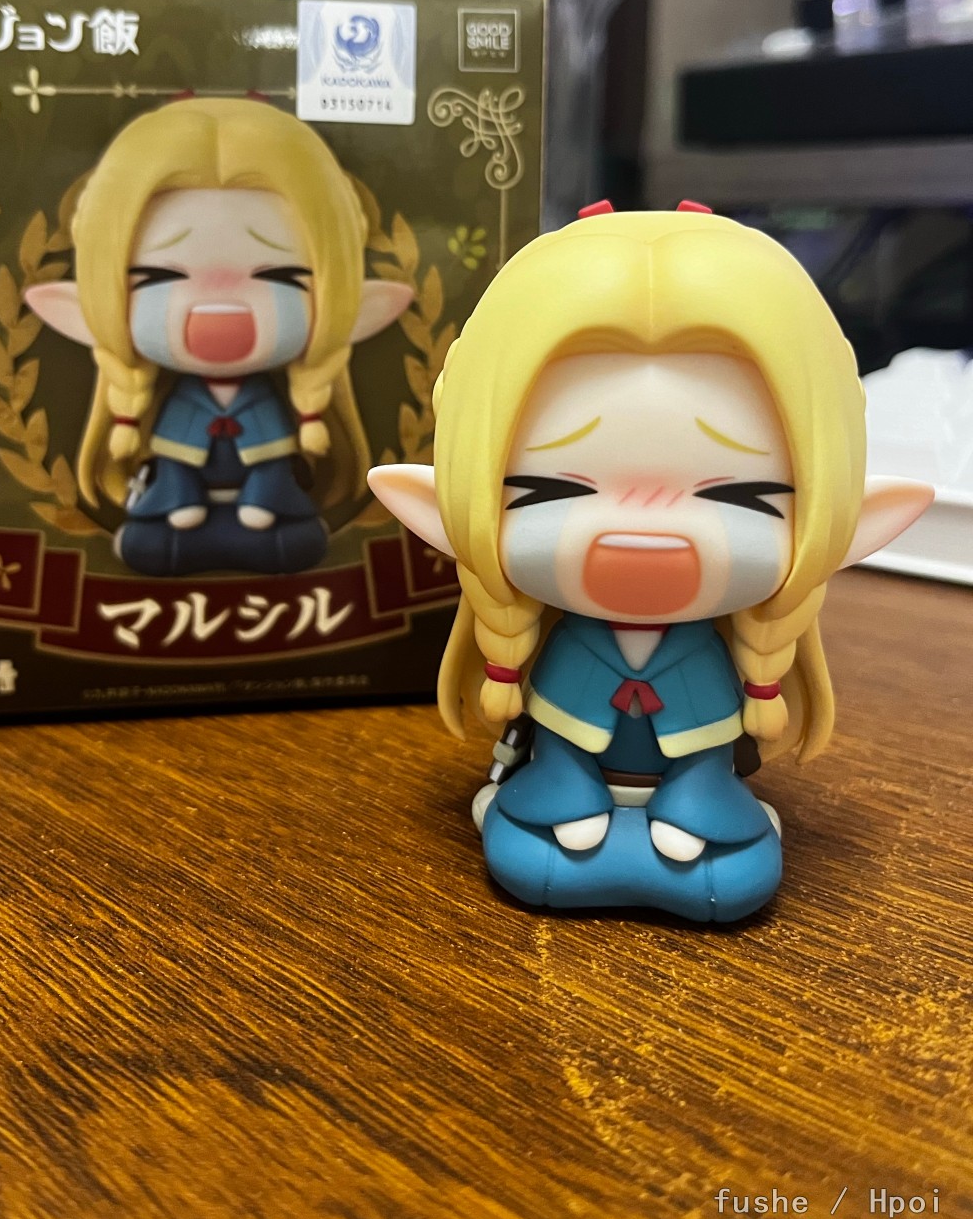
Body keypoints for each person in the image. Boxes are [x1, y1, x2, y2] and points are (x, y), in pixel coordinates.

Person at [368, 203, 932, 921]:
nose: (642, 538)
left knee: (725, 858)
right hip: (566, 789)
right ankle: (563, 814)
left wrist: (697, 799)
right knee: (549, 826)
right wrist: (566, 788)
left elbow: (709, 749)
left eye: (740, 496)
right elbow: (557, 734)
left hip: (693, 797)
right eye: (548, 491)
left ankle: (701, 821)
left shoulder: (711, 654)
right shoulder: (568, 646)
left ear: (852, 521)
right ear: (442, 506)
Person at [28, 96, 411, 576]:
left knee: (299, 540)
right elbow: (172, 465)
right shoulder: (179, 400)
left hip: (260, 511)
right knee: (149, 541)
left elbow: (274, 466)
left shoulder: (266, 399)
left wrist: (262, 502)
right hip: (184, 513)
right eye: (158, 276)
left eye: (282, 276)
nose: (219, 312)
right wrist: (180, 500)